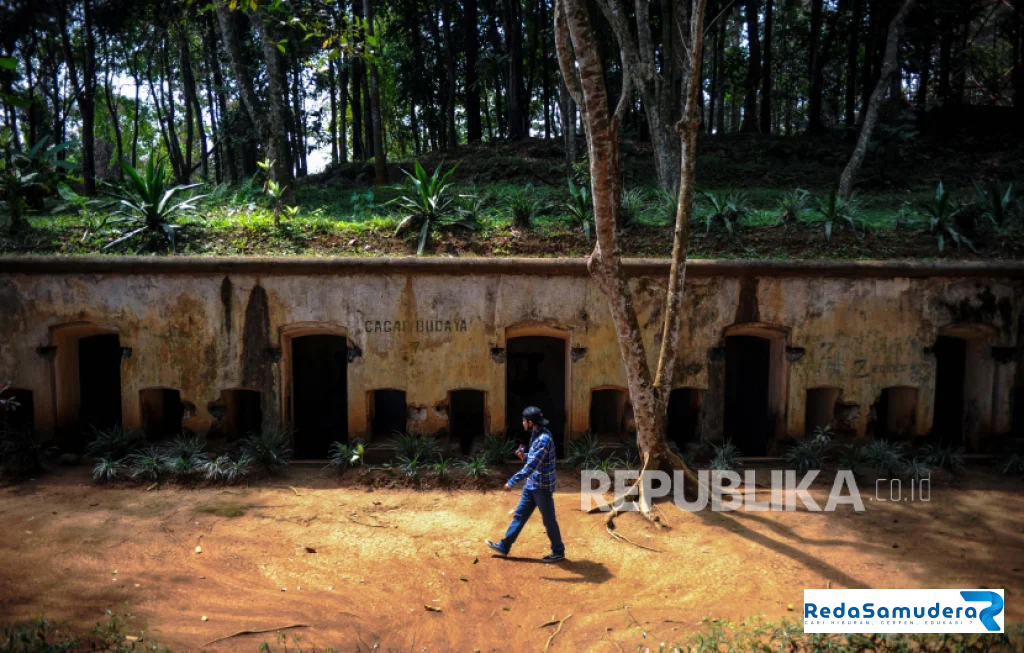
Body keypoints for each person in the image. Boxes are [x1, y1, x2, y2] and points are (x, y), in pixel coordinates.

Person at [486, 406, 565, 562]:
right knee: (520, 515)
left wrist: (512, 481)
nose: (522, 422)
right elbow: (536, 458)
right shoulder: (537, 434)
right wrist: (525, 455)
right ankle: (504, 546)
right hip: (532, 484)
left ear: (530, 422)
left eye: (524, 420)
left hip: (541, 486)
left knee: (548, 520)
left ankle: (558, 551)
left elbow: (531, 466)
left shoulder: (543, 439)